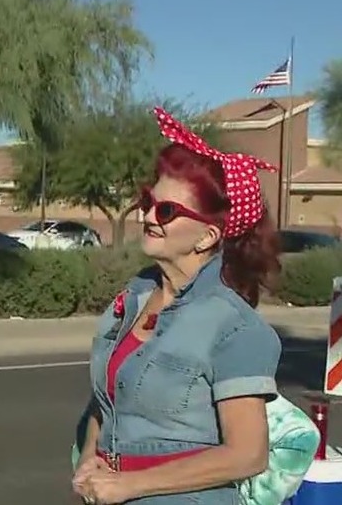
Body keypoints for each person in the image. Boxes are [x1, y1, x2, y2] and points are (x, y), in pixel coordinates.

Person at [72, 107, 284, 505]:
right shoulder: (132, 298)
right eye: (148, 201)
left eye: (166, 211)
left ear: (206, 238)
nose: (149, 216)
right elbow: (106, 403)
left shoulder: (235, 328)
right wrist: (89, 461)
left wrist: (130, 484)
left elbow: (247, 455)